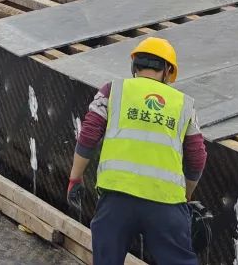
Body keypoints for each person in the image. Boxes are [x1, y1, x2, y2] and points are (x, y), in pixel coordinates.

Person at [67, 37, 206, 265]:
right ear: (168, 70)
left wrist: (75, 177)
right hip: (165, 205)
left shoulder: (113, 91)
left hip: (116, 201)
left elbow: (89, 134)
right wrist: (185, 196)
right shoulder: (183, 105)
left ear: (134, 66)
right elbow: (197, 158)